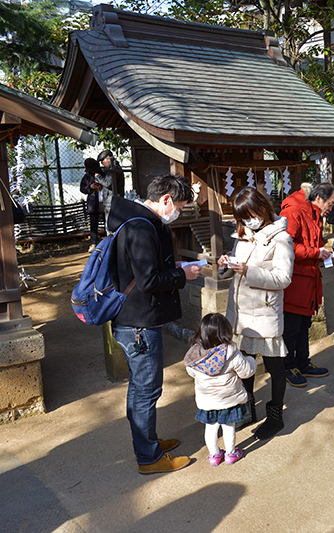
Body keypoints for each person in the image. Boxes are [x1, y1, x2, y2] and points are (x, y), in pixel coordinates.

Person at [107, 173, 201, 474]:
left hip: (132, 319)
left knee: (140, 389)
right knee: (146, 391)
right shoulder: (141, 227)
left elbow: (141, 270)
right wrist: (181, 275)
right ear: (166, 200)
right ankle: (148, 457)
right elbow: (148, 281)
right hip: (139, 323)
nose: (179, 213)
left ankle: (147, 442)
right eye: (181, 206)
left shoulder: (132, 220)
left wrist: (171, 267)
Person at [218, 187, 293, 440]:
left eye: (250, 214)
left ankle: (275, 416)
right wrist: (227, 265)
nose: (248, 221)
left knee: (274, 366)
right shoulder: (244, 235)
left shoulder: (280, 238)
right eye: (243, 217)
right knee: (244, 364)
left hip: (264, 313)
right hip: (240, 313)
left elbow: (283, 278)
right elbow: (237, 270)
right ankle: (247, 409)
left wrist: (248, 270)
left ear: (263, 208)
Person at [280, 182, 334, 387]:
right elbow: (285, 246)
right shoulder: (294, 212)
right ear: (319, 198)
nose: (331, 209)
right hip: (296, 281)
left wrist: (320, 253)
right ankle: (288, 367)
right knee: (291, 327)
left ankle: (303, 362)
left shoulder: (313, 213)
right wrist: (315, 252)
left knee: (304, 324)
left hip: (308, 280)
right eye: (330, 203)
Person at [184, 313, 256, 466]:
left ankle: (214, 455)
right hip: (228, 400)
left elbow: (191, 372)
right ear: (226, 333)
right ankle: (231, 454)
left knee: (210, 428)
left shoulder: (196, 354)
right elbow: (246, 372)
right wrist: (251, 360)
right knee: (229, 427)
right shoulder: (231, 353)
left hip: (207, 401)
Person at [79, 158, 103, 252]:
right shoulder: (87, 176)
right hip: (93, 203)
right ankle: (93, 243)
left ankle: (107, 241)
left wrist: (102, 187)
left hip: (103, 202)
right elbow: (82, 188)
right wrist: (90, 187)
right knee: (93, 223)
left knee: (107, 221)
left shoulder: (103, 173)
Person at [95, 149, 123, 222]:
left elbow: (108, 183)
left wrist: (98, 177)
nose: (102, 163)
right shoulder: (113, 168)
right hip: (111, 199)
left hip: (112, 200)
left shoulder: (114, 168)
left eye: (102, 161)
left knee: (110, 223)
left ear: (108, 159)